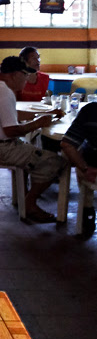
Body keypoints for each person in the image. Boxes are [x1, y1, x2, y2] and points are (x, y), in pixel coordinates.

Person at [0, 56, 66, 223]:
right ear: (14, 74)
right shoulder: (4, 92)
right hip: (1, 148)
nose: (27, 80)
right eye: (25, 75)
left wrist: (43, 115)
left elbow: (13, 115)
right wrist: (37, 123)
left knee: (35, 151)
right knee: (56, 162)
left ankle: (25, 198)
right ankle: (30, 203)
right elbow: (11, 130)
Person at [60, 102, 97, 238]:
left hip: (93, 173)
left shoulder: (91, 110)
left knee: (79, 153)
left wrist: (85, 168)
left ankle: (87, 211)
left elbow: (67, 144)